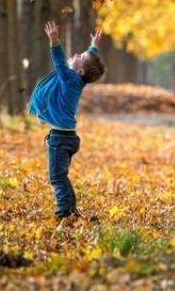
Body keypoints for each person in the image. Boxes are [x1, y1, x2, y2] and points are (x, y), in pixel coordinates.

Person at [28, 21, 107, 220]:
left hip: (61, 139)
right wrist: (93, 47)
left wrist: (54, 42)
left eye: (79, 57)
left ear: (79, 71)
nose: (76, 55)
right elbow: (85, 63)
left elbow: (61, 63)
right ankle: (70, 211)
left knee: (56, 177)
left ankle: (65, 213)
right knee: (61, 176)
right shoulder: (75, 81)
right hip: (65, 137)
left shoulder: (70, 79)